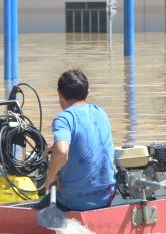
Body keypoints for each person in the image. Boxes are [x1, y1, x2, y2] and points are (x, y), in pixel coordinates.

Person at [41, 69, 117, 211]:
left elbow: (62, 151)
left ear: (59, 93)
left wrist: (51, 177)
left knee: (34, 209)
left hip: (75, 200)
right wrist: (55, 145)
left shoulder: (64, 118)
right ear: (88, 92)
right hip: (107, 196)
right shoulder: (101, 113)